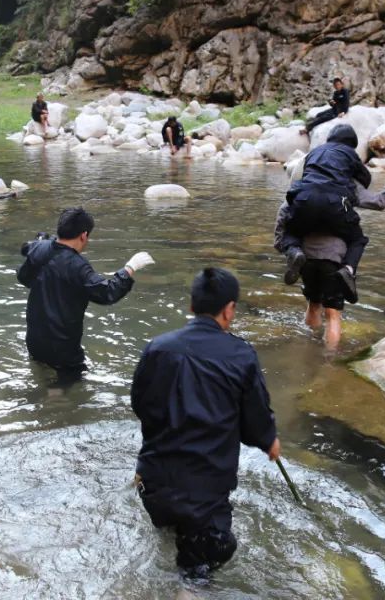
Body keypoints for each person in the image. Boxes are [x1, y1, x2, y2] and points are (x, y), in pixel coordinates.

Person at [131, 268, 279, 579]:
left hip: (152, 482)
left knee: (171, 530)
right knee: (201, 570)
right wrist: (269, 441)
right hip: (203, 493)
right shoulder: (241, 355)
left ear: (191, 306)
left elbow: (140, 404)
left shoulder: (158, 347)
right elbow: (255, 422)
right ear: (229, 310)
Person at [17, 207, 153, 383]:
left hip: (35, 340)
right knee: (67, 388)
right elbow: (107, 293)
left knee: (42, 375)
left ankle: (46, 400)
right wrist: (130, 267)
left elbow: (23, 278)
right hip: (63, 348)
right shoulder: (78, 266)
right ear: (83, 235)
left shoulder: (39, 250)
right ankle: (55, 401)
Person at [274, 175, 385, 347]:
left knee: (313, 304)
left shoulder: (302, 191)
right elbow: (379, 202)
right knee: (333, 314)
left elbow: (282, 225)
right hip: (334, 257)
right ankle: (329, 361)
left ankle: (308, 350)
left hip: (306, 257)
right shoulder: (344, 185)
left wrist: (288, 248)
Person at [278, 123, 372, 303]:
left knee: (291, 231)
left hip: (304, 199)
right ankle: (348, 270)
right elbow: (366, 179)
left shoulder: (315, 151)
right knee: (357, 239)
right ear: (351, 143)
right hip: (335, 203)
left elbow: (302, 175)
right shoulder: (349, 153)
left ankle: (294, 251)